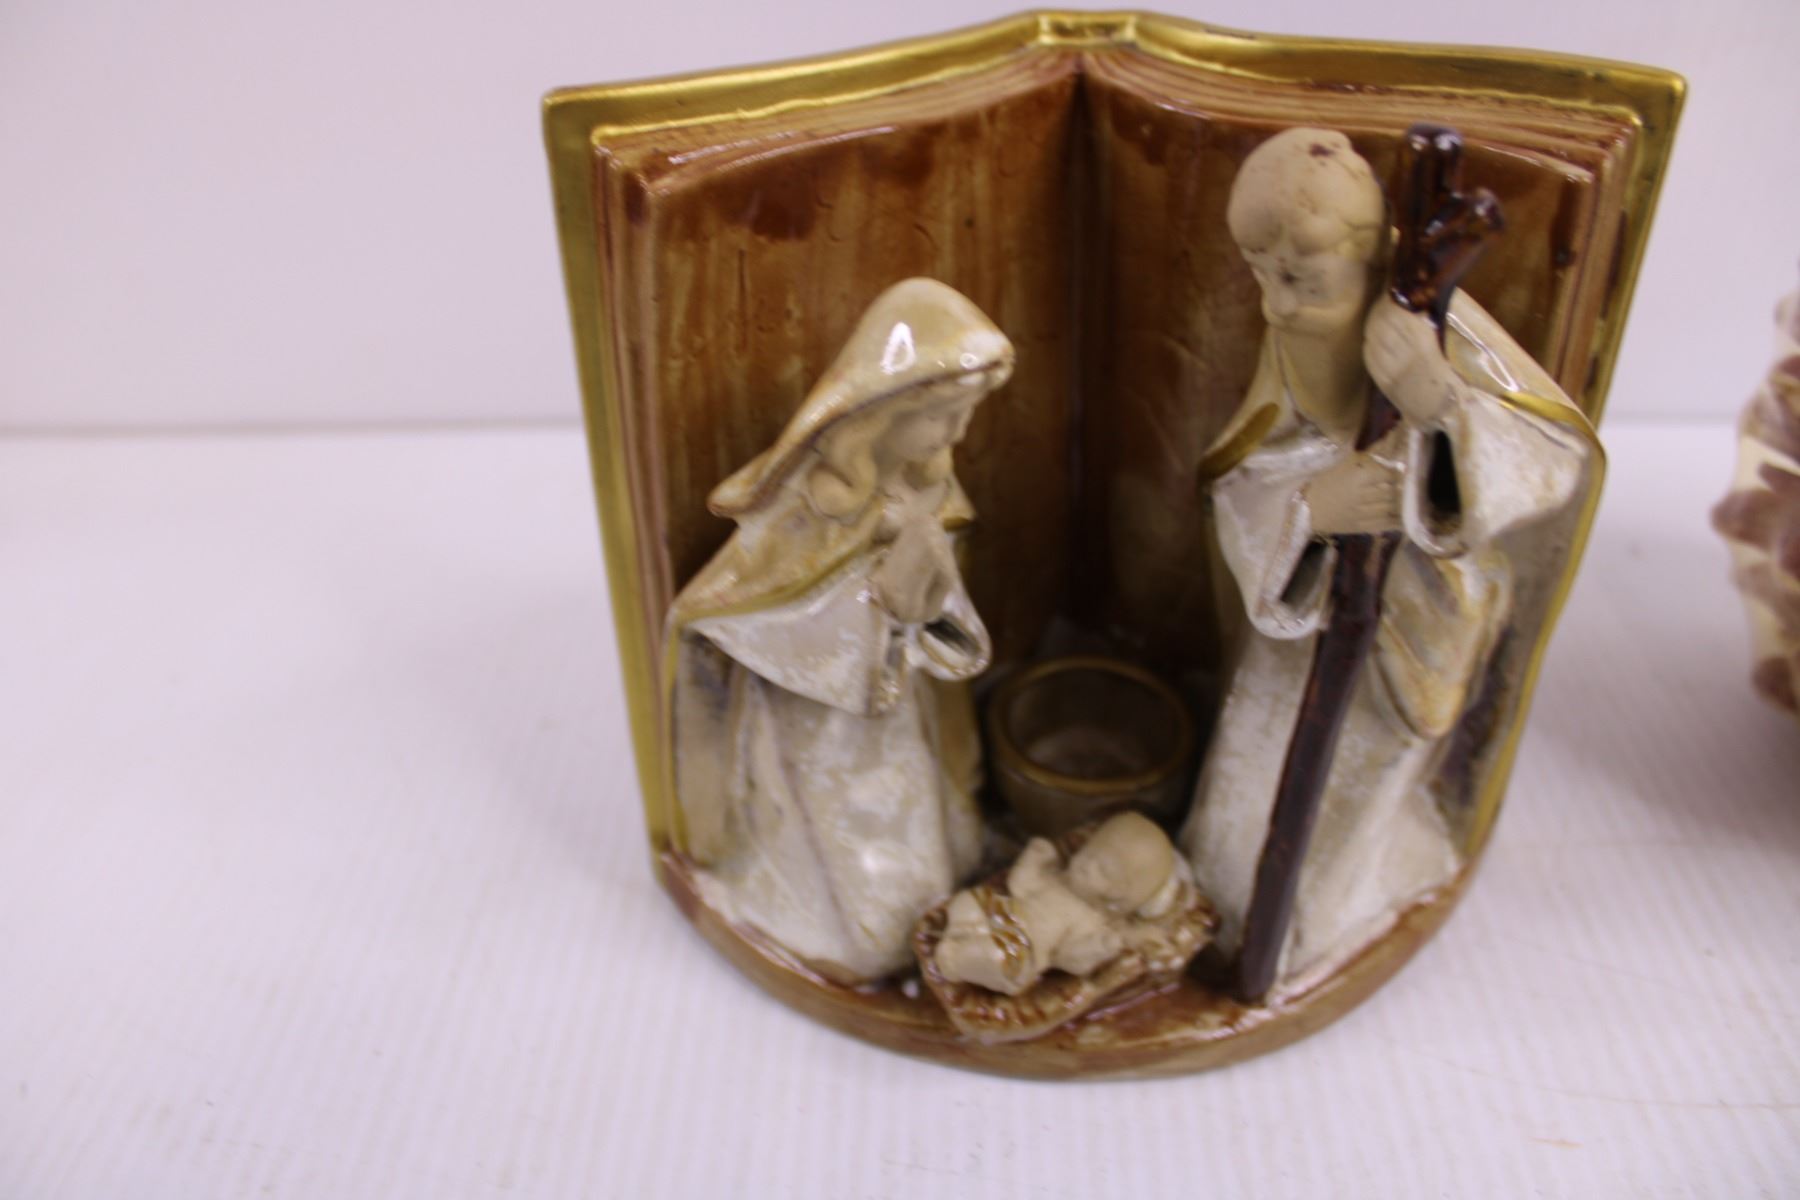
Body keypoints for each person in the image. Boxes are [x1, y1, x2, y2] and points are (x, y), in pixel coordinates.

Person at [1181, 128, 1601, 993]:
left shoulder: (1437, 328)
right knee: (1258, 758)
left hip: (1415, 611)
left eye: (1304, 282)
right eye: (1260, 275)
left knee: (1353, 781)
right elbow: (1249, 466)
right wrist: (1312, 510)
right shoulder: (1289, 335)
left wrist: (1438, 403)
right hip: (1304, 617)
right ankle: (1228, 895)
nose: (1278, 306)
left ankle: (1316, 922)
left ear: (1374, 258)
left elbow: (1551, 460)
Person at [666, 277, 1012, 984]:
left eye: (966, 414)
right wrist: (879, 603)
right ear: (880, 412)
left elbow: (942, 600)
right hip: (815, 724)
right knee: (844, 840)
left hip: (897, 707)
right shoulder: (812, 504)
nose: (956, 434)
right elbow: (745, 612)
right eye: (942, 416)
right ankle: (849, 936)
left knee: (912, 808)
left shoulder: (927, 485)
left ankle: (923, 911)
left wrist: (923, 594)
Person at [933, 811, 1192, 997]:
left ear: (1116, 897)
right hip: (1006, 912)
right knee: (970, 899)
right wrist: (1033, 859)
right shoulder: (1055, 876)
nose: (1087, 865)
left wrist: (1105, 944)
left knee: (1003, 962)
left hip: (1024, 948)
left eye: (1102, 871)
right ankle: (963, 931)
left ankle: (955, 961)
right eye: (1088, 854)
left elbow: (1070, 959)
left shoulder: (1092, 922)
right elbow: (1021, 885)